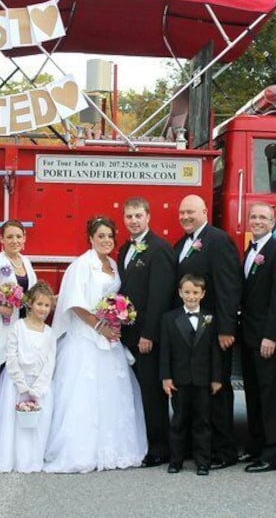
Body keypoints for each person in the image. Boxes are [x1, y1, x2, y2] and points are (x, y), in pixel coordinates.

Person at [43, 216, 147, 472]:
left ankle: (113, 448)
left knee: (111, 394)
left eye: (109, 236)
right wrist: (99, 326)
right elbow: (74, 302)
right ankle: (81, 450)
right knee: (84, 393)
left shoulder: (112, 263)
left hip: (109, 338)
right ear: (91, 238)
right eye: (100, 236)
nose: (106, 240)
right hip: (87, 337)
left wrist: (117, 318)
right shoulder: (81, 265)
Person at [174, 194, 242, 469]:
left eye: (191, 211)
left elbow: (229, 287)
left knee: (217, 389)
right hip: (193, 332)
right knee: (198, 391)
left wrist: (226, 328)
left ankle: (224, 451)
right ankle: (202, 447)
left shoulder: (218, 240)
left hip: (214, 332)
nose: (185, 216)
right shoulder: (183, 244)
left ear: (204, 212)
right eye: (182, 212)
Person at [117, 197, 175, 467]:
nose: (133, 220)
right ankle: (143, 442)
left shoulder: (159, 249)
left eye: (138, 215)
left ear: (148, 216)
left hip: (146, 338)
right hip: (128, 335)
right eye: (129, 216)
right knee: (136, 392)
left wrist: (149, 334)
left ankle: (160, 448)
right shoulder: (123, 250)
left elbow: (159, 296)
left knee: (153, 394)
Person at [239, 203, 276, 473]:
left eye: (263, 217)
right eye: (254, 217)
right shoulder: (250, 251)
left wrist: (271, 336)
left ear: (273, 223)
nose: (257, 221)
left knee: (272, 397)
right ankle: (257, 446)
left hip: (268, 339)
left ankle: (273, 455)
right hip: (250, 336)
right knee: (255, 394)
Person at [0, 281, 57, 473]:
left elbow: (50, 363)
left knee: (36, 423)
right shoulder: (18, 327)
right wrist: (22, 385)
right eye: (39, 304)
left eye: (47, 305)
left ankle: (31, 459)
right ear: (29, 304)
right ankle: (10, 458)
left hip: (40, 385)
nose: (43, 309)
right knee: (13, 422)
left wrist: (38, 388)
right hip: (16, 383)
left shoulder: (49, 333)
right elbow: (11, 357)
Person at [0, 220, 38, 458]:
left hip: (21, 330)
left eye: (18, 237)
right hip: (1, 329)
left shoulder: (26, 262)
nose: (15, 241)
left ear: (25, 239)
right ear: (1, 239)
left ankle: (13, 442)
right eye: (9, 237)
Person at [160, 274, 222, 476]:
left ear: (203, 294)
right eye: (187, 292)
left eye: (195, 292)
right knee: (178, 421)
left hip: (203, 379)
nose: (191, 296)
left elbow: (215, 351)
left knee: (203, 421)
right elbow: (165, 351)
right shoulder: (170, 318)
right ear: (179, 293)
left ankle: (203, 462)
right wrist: (166, 377)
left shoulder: (210, 318)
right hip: (179, 380)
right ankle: (175, 461)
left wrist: (216, 378)